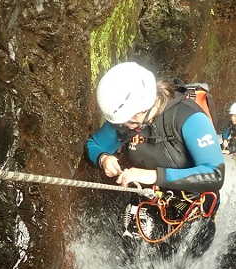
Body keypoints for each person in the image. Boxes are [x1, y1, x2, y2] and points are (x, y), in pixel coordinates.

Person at [86, 62, 225, 256]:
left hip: (191, 203)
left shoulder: (188, 117)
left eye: (129, 120)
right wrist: (103, 158)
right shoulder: (127, 120)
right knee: (131, 254)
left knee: (176, 260)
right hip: (150, 199)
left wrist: (152, 176)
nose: (124, 126)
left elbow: (215, 174)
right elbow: (94, 144)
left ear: (142, 107)